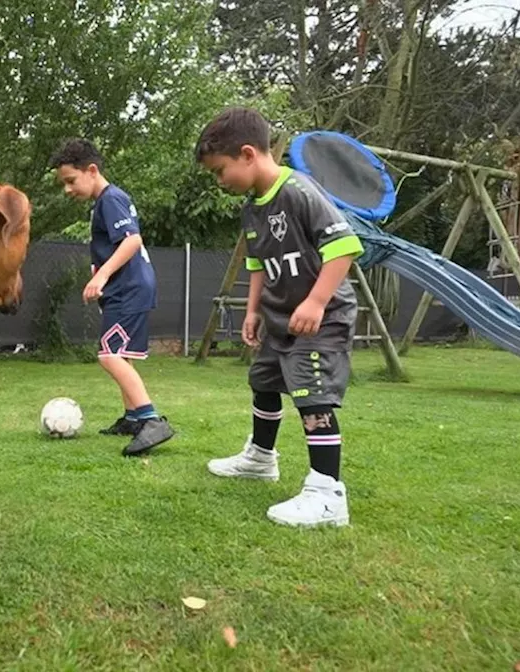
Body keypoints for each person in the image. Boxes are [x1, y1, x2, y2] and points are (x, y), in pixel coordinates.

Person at [194, 107, 364, 527]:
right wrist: (253, 311)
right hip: (278, 319)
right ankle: (260, 459)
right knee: (264, 382)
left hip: (320, 319)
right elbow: (257, 265)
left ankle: (328, 493)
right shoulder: (252, 209)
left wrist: (316, 301)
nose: (220, 182)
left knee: (312, 396)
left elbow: (344, 248)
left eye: (221, 170)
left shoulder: (299, 192)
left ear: (248, 154)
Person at [50, 138, 175, 458]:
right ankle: (133, 418)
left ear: (91, 170)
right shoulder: (106, 201)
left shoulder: (111, 199)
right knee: (124, 353)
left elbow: (132, 241)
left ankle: (150, 419)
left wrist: (102, 276)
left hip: (128, 288)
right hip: (130, 288)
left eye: (70, 181)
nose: (67, 189)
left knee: (109, 355)